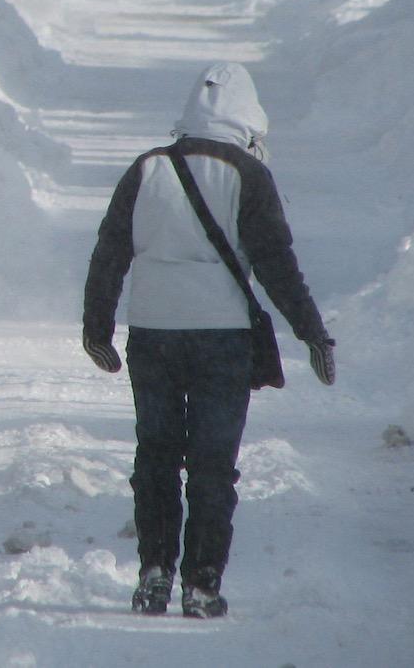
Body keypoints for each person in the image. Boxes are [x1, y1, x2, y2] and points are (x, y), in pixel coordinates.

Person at [81, 62, 336, 619]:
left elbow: (110, 252)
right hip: (223, 339)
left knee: (156, 455)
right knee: (213, 464)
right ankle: (201, 584)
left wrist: (97, 328)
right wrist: (313, 333)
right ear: (249, 116)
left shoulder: (146, 169)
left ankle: (153, 575)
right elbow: (276, 267)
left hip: (153, 334)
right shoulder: (249, 174)